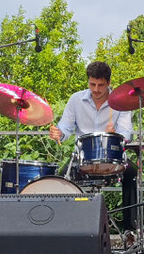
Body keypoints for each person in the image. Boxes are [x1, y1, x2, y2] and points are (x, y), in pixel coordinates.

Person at [49, 61, 137, 230]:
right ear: (88, 81)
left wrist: (116, 134)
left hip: (111, 155)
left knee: (132, 173)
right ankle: (66, 229)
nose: (96, 89)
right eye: (92, 84)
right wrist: (59, 133)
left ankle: (129, 230)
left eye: (101, 85)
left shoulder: (121, 102)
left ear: (109, 83)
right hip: (83, 157)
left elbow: (126, 133)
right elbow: (65, 127)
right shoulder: (76, 100)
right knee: (61, 179)